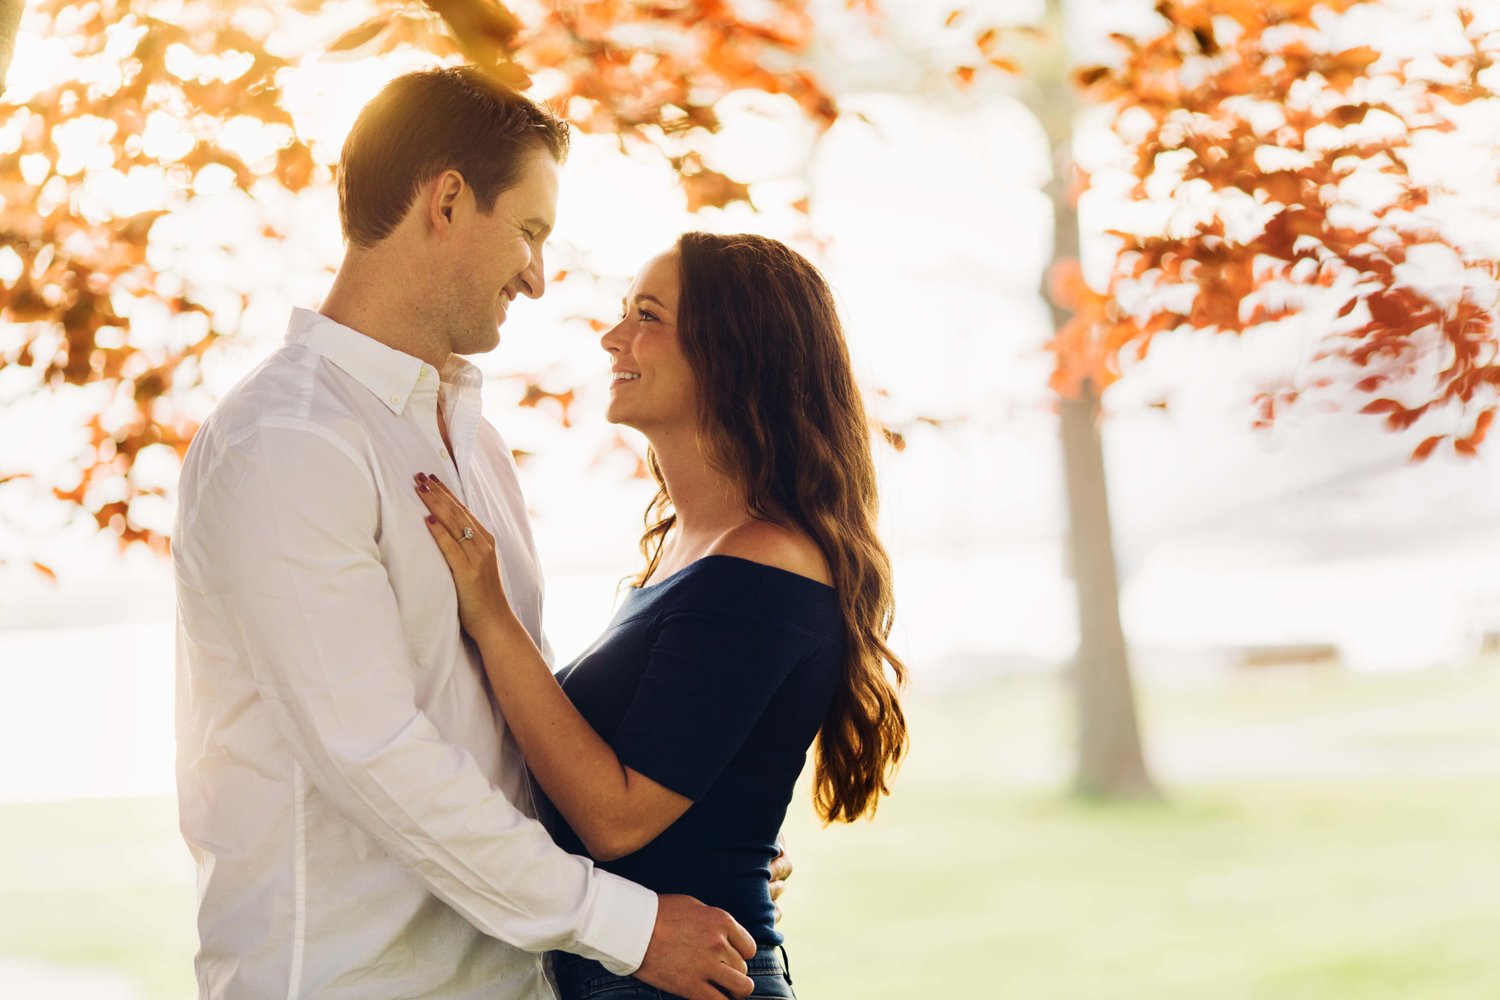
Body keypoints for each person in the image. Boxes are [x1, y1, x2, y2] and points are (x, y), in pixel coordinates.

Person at [173, 67, 765, 1000]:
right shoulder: (288, 443)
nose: (536, 276)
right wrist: (629, 925)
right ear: (447, 201)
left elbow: (507, 730)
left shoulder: (472, 443)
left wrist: (694, 841)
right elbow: (377, 754)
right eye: (528, 233)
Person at [412, 231, 910, 1000]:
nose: (613, 338)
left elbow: (617, 817)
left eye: (646, 315)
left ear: (733, 352)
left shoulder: (766, 565)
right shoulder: (697, 548)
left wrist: (490, 613)